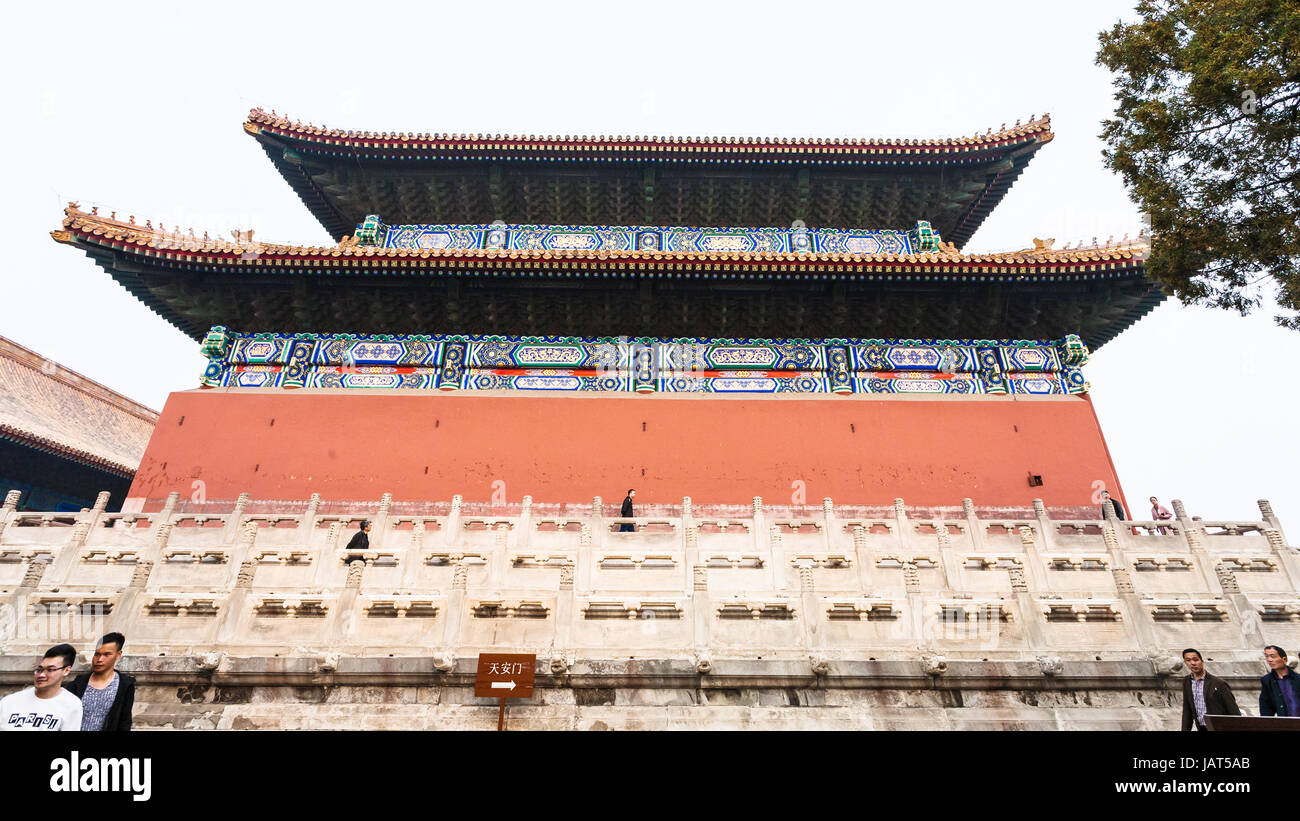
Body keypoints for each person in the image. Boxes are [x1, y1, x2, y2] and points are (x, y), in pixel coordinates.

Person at [0, 643, 82, 731]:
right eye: (39, 670)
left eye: (50, 670)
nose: (41, 675)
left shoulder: (72, 705)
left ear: (66, 671)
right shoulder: (8, 702)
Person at [65, 632, 135, 731]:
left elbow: (124, 722)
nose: (100, 659)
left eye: (107, 654)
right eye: (97, 654)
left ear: (118, 654)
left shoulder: (125, 685)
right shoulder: (77, 684)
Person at [1180, 648, 1240, 731]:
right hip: (1201, 727)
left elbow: (1234, 711)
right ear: (1185, 663)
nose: (1193, 663)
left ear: (1202, 661)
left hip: (1219, 727)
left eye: (1195, 660)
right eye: (1188, 660)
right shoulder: (1187, 682)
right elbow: (1187, 710)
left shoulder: (1219, 683)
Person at [1259, 645, 1300, 717]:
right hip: (1284, 723)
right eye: (1267, 656)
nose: (1269, 660)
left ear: (1284, 659)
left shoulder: (1297, 678)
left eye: (1272, 656)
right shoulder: (1267, 681)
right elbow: (1266, 706)